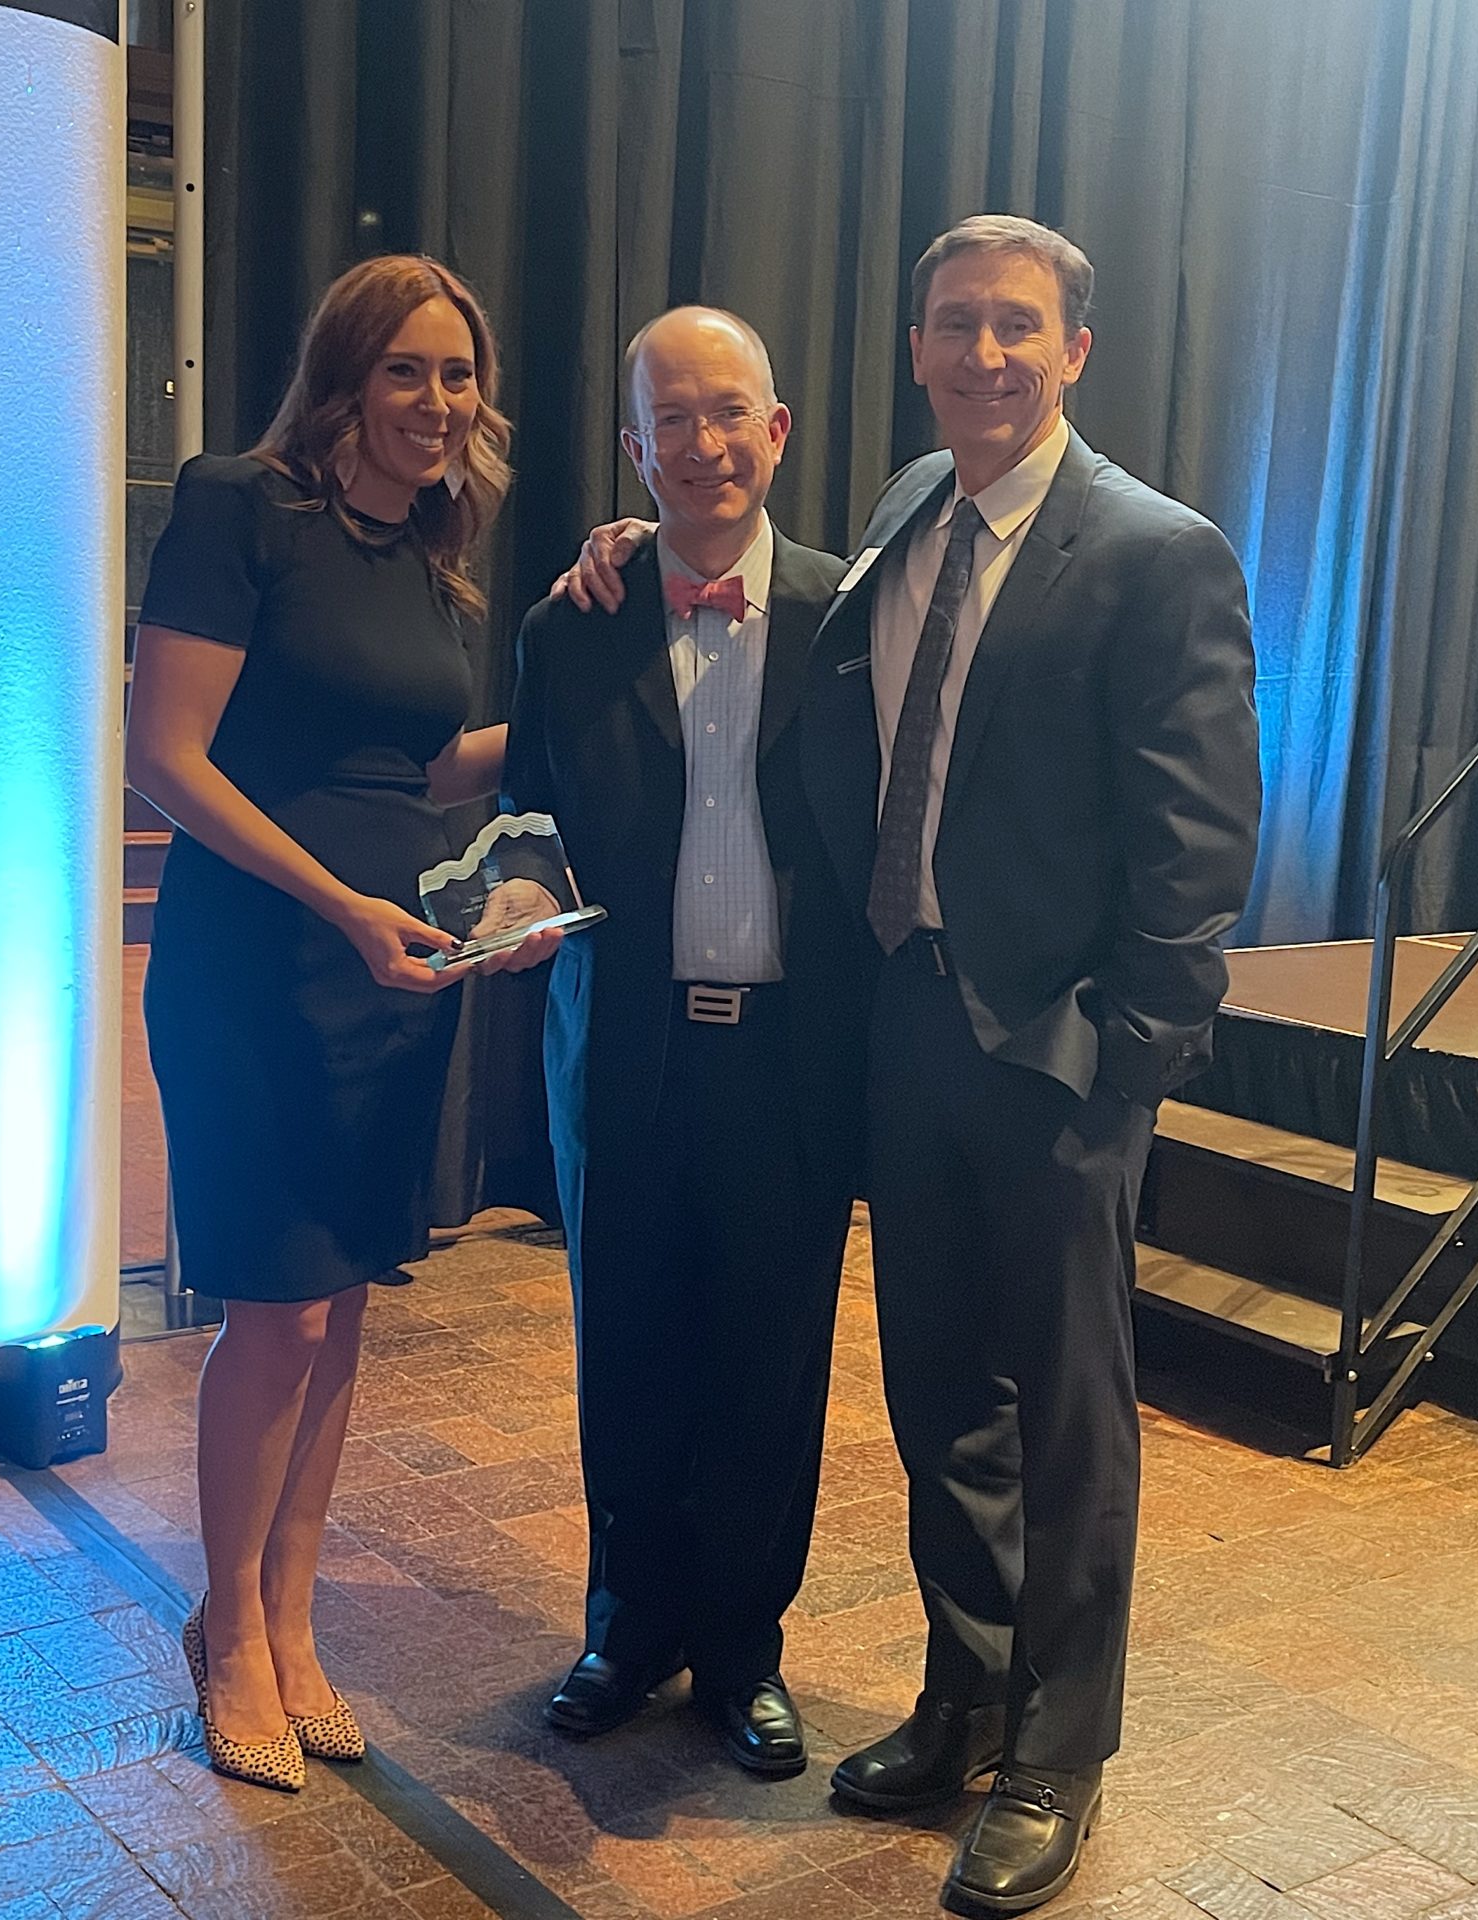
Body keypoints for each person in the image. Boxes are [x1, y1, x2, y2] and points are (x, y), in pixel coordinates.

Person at [558, 217, 1261, 1914]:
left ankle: (1057, 1753)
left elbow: (1199, 841)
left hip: (1058, 1055)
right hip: (901, 1027)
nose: (986, 357)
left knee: (1073, 1419)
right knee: (942, 1396)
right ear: (921, 348)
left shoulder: (1160, 554)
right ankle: (963, 1695)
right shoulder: (895, 517)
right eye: (957, 327)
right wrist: (625, 543)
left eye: (1018, 328)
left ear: (1075, 349)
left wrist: (1129, 1067)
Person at [126, 254, 558, 1792]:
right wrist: (340, 906)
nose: (439, 404)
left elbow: (428, 773)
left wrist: (592, 682)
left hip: (398, 974)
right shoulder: (241, 506)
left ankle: (295, 1623)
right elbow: (167, 758)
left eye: (459, 377)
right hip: (263, 968)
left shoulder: (428, 558)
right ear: (345, 381)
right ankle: (226, 1629)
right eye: (407, 372)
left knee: (349, 1305)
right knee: (279, 1310)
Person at [504, 308, 871, 1776]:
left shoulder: (857, 621)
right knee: (630, 1349)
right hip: (627, 1053)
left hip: (789, 1058)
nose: (706, 444)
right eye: (674, 418)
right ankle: (629, 1624)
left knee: (773, 1364)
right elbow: (527, 822)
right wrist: (519, 895)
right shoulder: (567, 627)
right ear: (633, 447)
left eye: (732, 414)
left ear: (776, 432)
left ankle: (743, 1651)